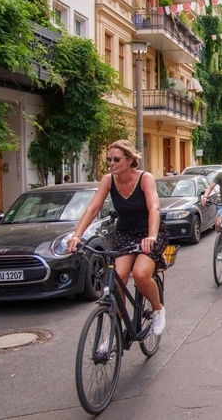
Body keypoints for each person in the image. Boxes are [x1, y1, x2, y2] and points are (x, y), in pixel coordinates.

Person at [67, 140, 168, 336]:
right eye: (109, 160)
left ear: (130, 160)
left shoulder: (145, 178)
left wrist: (152, 236)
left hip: (150, 231)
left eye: (116, 159)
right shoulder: (108, 180)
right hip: (124, 233)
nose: (111, 163)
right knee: (118, 279)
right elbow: (93, 208)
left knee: (140, 274)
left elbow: (153, 208)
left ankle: (158, 309)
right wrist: (76, 235)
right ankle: (117, 333)